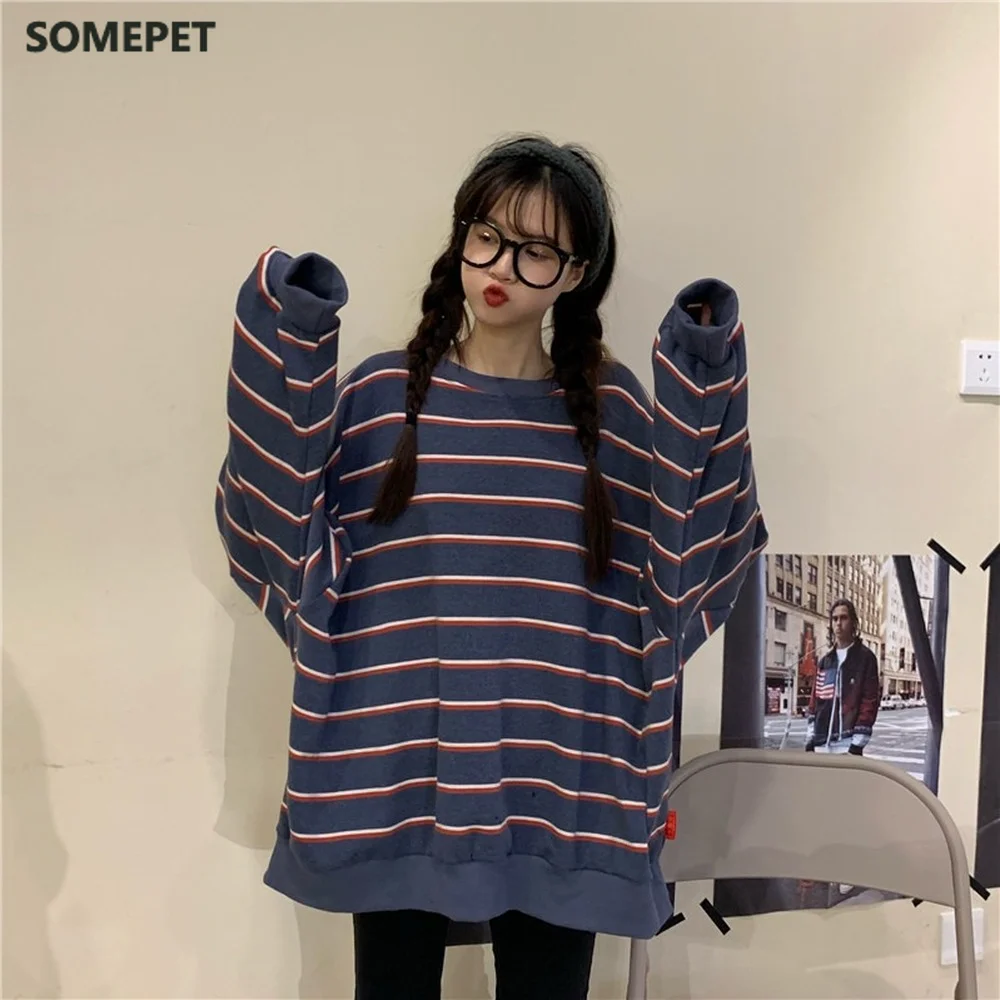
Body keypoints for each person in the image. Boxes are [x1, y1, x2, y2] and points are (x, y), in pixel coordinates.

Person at [215, 134, 768, 1000]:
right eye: (486, 235)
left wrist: (705, 374)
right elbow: (286, 537)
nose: (501, 265)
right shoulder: (378, 401)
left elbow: (687, 570)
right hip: (393, 777)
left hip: (565, 790)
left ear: (576, 273)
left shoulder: (616, 420)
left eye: (536, 249)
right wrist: (284, 335)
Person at [805, 598, 881, 755]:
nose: (838, 623)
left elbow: (869, 702)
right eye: (835, 619)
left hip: (847, 743)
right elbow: (815, 702)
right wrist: (811, 739)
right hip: (821, 742)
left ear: (853, 622)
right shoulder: (825, 661)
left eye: (844, 618)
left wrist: (857, 744)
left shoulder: (865, 658)